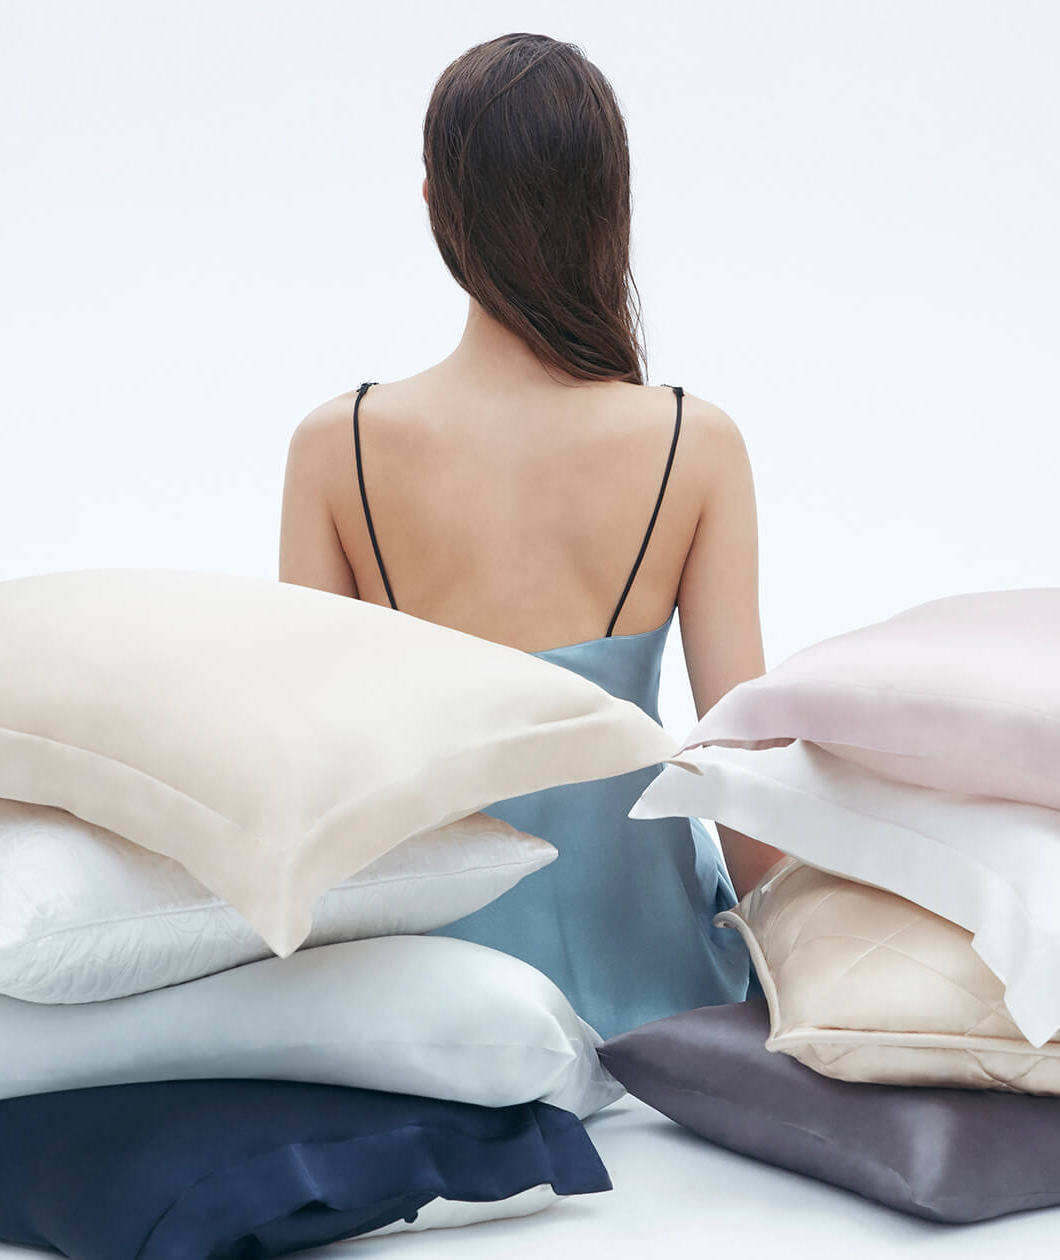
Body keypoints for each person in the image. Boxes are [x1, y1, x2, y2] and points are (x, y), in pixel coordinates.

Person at [277, 33, 784, 1038]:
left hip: (423, 992)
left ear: (435, 201)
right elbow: (741, 770)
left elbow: (305, 773)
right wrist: (812, 963)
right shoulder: (692, 441)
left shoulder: (337, 446)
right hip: (659, 985)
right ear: (610, 203)